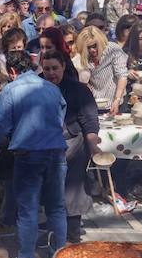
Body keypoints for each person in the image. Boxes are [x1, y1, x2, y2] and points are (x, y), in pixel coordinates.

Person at [0, 50, 67, 258]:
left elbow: (1, 131)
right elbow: (60, 118)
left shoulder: (9, 91)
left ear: (12, 71)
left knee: (28, 209)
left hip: (28, 155)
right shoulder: (52, 89)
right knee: (56, 208)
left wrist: (1, 142)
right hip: (56, 152)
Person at [40, 50, 101, 243]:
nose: (51, 73)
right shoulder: (36, 87)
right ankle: (51, 232)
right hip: (43, 144)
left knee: (72, 192)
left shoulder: (78, 89)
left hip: (72, 143)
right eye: (47, 68)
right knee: (47, 189)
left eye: (55, 68)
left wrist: (93, 146)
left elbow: (89, 119)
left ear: (63, 67)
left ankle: (72, 235)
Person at [72, 26, 128, 114]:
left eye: (95, 46)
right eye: (88, 47)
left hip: (117, 101)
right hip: (95, 104)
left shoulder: (113, 49)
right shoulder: (82, 56)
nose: (92, 50)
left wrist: (117, 99)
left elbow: (122, 76)